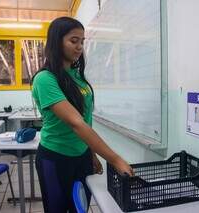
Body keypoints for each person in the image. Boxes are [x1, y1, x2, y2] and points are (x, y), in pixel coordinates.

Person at [32, 17, 134, 213]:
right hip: (55, 158)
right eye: (73, 40)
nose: (79, 47)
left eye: (82, 41)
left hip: (82, 158)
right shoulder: (45, 79)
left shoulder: (78, 77)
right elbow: (76, 123)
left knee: (81, 208)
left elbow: (86, 120)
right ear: (56, 41)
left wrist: (91, 154)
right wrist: (115, 159)